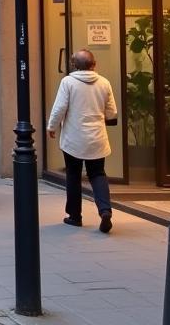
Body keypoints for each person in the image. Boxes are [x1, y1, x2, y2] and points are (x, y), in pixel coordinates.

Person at [47, 49, 118, 233]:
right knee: (97, 174)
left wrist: (52, 127)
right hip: (97, 137)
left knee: (73, 174)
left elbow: (60, 107)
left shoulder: (68, 82)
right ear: (94, 64)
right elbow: (112, 113)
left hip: (73, 138)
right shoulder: (104, 83)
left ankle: (75, 216)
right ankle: (105, 211)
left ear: (73, 65)